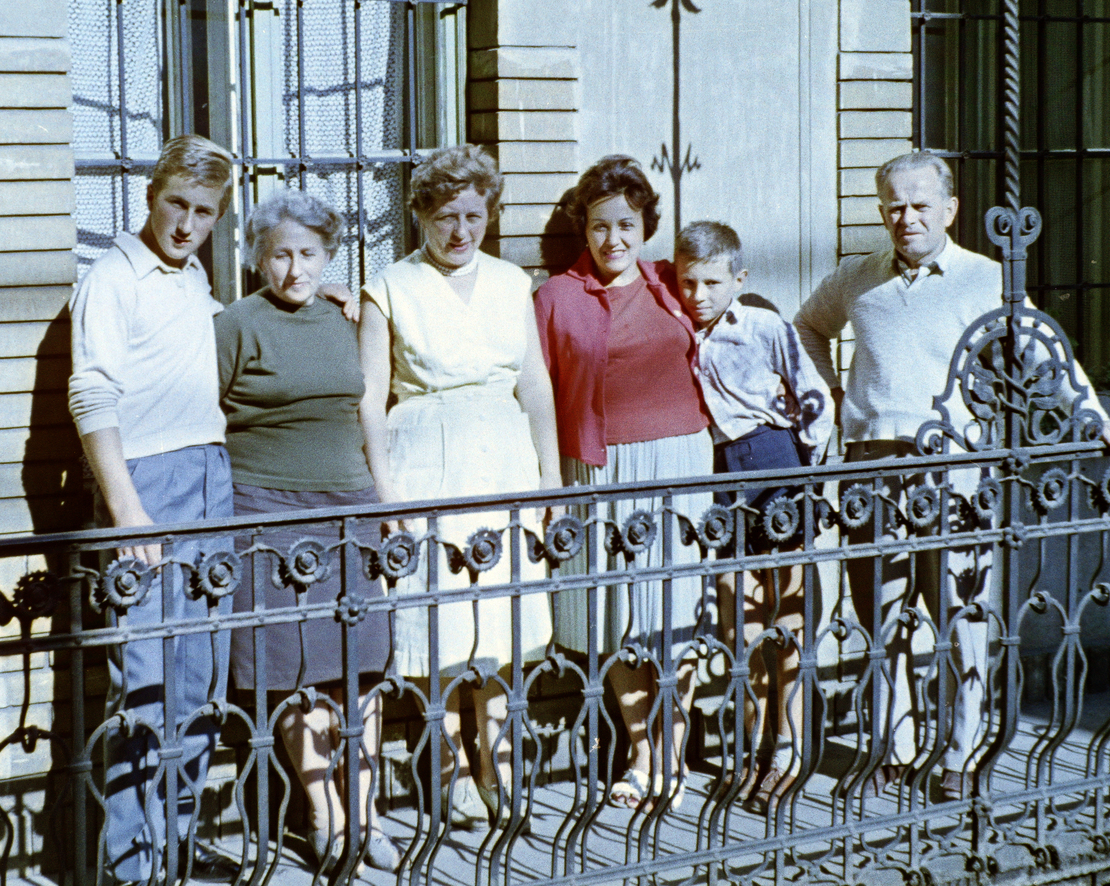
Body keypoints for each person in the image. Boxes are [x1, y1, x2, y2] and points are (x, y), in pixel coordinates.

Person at [794, 149, 1110, 801]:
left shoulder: (985, 279)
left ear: (950, 209)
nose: (907, 217)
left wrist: (1097, 420)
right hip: (873, 470)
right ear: (881, 210)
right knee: (882, 616)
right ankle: (893, 750)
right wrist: (834, 398)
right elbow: (809, 328)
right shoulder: (855, 278)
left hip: (954, 471)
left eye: (921, 204)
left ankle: (960, 752)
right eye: (894, 205)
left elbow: (1042, 350)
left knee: (962, 616)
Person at [357, 144, 560, 828]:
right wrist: (385, 494)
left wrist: (551, 476)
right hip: (426, 461)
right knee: (439, 623)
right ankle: (449, 773)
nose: (460, 231)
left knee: (499, 622)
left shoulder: (511, 282)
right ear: (420, 215)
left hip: (502, 460)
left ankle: (498, 765)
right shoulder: (390, 286)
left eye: (473, 215)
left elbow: (534, 384)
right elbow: (369, 397)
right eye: (445, 216)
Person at [67, 133, 240, 883]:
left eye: (203, 212)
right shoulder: (112, 276)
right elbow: (92, 394)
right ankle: (130, 864)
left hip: (211, 474)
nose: (185, 224)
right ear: (150, 196)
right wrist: (129, 510)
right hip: (147, 485)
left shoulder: (194, 276)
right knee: (146, 679)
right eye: (176, 204)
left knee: (200, 672)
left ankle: (178, 835)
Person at [215, 190, 399, 871]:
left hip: (349, 507)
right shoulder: (235, 324)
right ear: (258, 259)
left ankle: (368, 811)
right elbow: (206, 416)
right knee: (294, 670)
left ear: (330, 256)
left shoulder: (344, 318)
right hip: (266, 512)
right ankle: (324, 814)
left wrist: (381, 498)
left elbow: (371, 402)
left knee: (360, 668)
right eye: (282, 255)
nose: (296, 270)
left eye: (310, 254)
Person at [533, 155, 715, 812]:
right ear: (584, 229)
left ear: (646, 228)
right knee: (618, 618)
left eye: (627, 225)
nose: (613, 239)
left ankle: (669, 750)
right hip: (600, 470)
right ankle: (644, 749)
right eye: (601, 226)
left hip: (680, 463)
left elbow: (731, 311)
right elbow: (536, 393)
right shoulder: (554, 297)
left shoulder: (672, 283)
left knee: (674, 611)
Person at [674, 221, 834, 814]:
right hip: (717, 470)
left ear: (738, 279)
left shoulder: (763, 325)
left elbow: (814, 397)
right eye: (687, 281)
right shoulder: (677, 329)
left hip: (774, 458)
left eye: (713, 282)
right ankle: (750, 746)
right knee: (738, 620)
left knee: (786, 615)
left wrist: (807, 476)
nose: (699, 294)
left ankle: (788, 747)